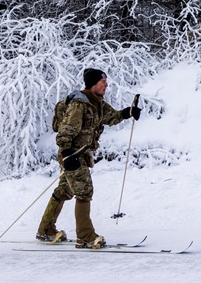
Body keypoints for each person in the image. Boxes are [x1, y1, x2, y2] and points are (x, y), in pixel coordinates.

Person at [37, 67, 141, 248]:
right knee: (84, 191)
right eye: (103, 82)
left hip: (82, 155)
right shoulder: (80, 105)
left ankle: (45, 230)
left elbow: (112, 117)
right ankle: (85, 237)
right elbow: (65, 132)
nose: (106, 85)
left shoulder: (97, 104)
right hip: (72, 155)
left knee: (65, 190)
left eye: (105, 82)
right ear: (93, 84)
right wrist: (68, 154)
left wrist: (128, 112)